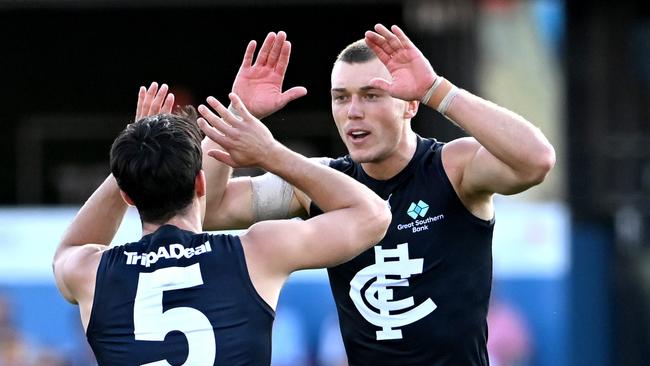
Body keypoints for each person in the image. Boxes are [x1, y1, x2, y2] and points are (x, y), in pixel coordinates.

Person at [201, 24, 555, 365]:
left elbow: (536, 161)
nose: (354, 112)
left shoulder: (452, 167)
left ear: (410, 104)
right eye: (341, 98)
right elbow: (207, 210)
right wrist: (235, 117)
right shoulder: (318, 182)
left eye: (371, 96)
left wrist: (436, 89)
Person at [51, 81, 391, 365]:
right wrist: (269, 152)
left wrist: (134, 156)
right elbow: (373, 215)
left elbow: (69, 249)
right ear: (200, 183)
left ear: (127, 196)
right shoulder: (256, 252)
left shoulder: (89, 272)